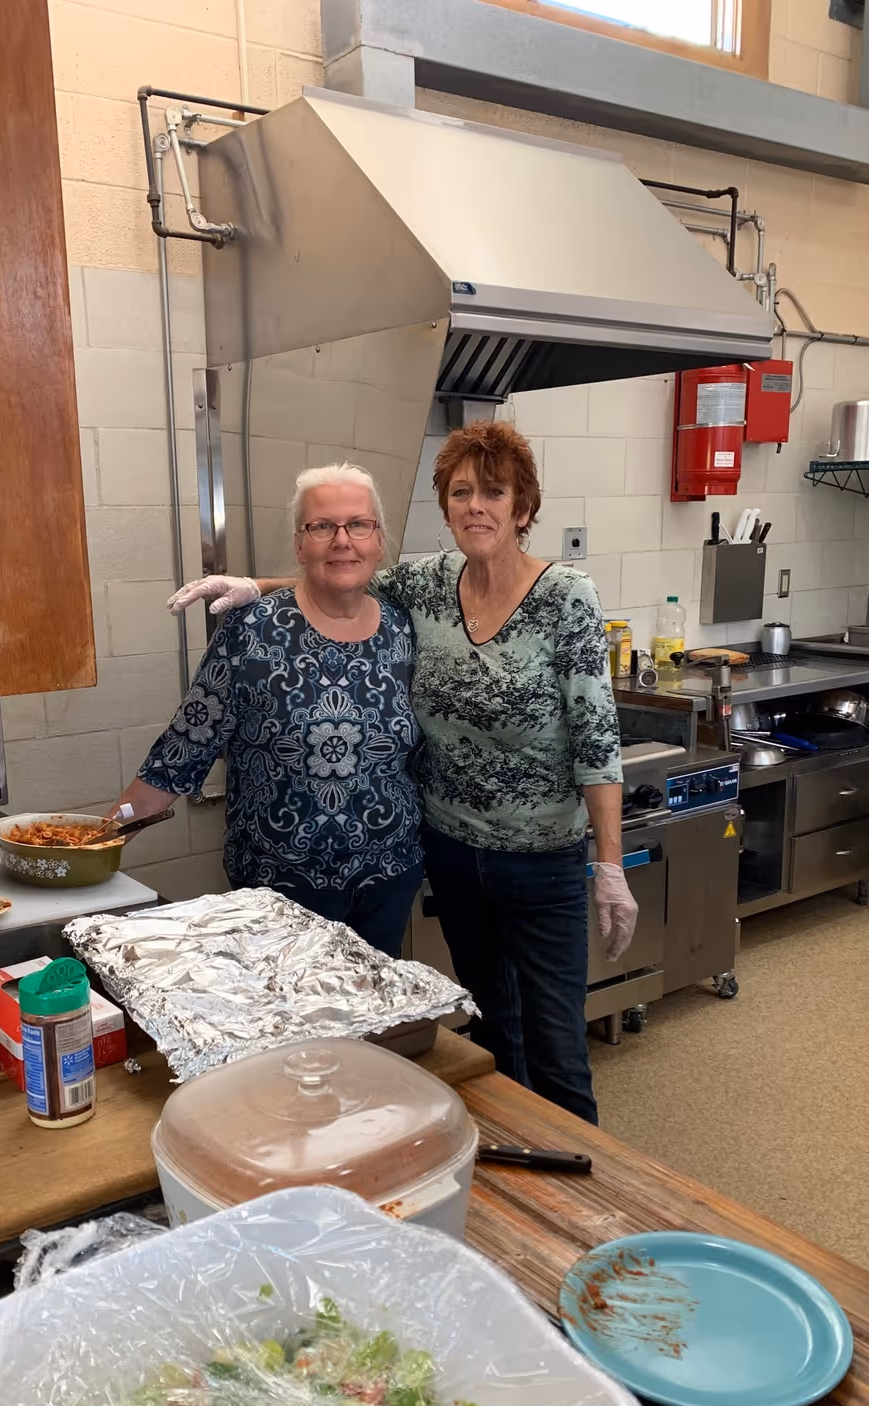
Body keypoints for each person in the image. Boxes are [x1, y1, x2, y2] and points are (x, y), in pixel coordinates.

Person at [169, 421, 636, 1125]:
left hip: (541, 860)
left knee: (557, 1047)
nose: (476, 506)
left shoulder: (565, 596)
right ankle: (509, 1171)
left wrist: (610, 863)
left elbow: (596, 736)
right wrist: (253, 586)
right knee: (491, 1029)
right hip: (452, 853)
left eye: (494, 492)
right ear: (445, 508)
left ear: (523, 508)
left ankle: (590, 1210)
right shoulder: (428, 582)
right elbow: (339, 568)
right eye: (461, 492)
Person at [111, 463, 422, 957]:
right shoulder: (251, 632)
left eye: (358, 524)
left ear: (378, 541)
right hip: (279, 893)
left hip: (389, 879)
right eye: (321, 526)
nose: (343, 540)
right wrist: (96, 844)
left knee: (372, 1030)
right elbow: (182, 751)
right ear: (300, 544)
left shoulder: (405, 631)